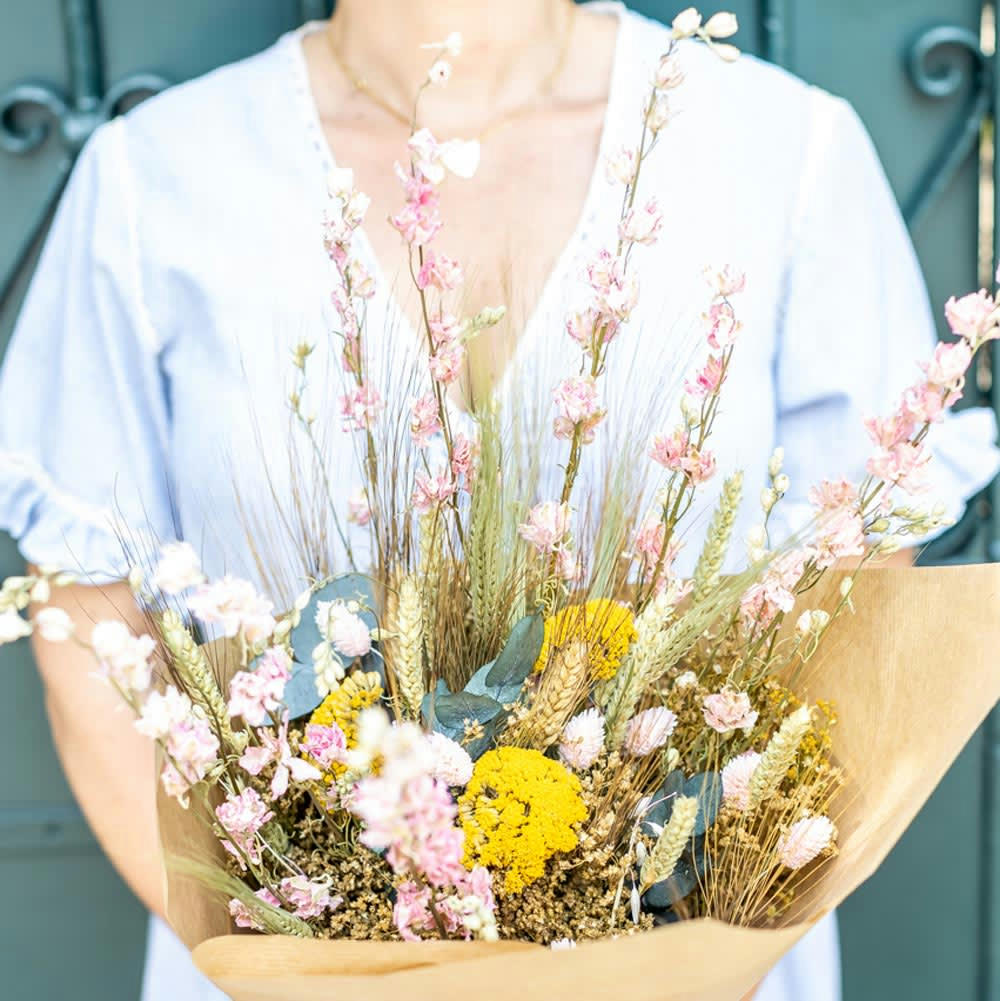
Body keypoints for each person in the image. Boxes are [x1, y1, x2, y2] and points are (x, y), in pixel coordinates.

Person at [0, 2, 996, 998]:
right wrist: (283, 964)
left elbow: (843, 619)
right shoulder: (153, 179)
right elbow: (91, 632)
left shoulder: (785, 155)